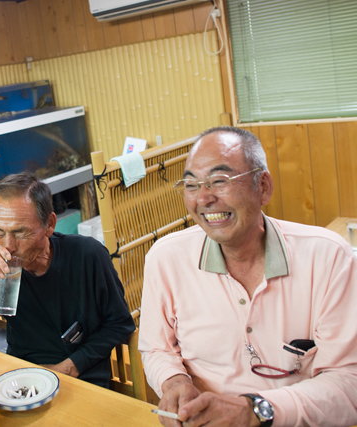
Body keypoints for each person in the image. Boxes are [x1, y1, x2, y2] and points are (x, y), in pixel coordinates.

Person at [139, 126, 357, 427]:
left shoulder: (329, 257)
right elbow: (157, 347)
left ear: (263, 186)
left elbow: (348, 382)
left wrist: (254, 410)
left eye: (220, 181)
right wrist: (174, 382)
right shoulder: (166, 258)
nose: (203, 198)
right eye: (191, 185)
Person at [0, 173, 135, 387]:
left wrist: (68, 367)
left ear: (49, 224)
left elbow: (120, 323)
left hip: (82, 379)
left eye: (20, 232)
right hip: (21, 377)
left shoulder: (87, 256)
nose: (8, 245)